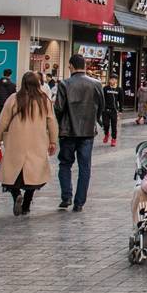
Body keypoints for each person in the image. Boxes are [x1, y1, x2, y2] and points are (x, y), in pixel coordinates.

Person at [0, 72, 58, 216]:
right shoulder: (44, 100)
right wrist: (53, 141)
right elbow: (51, 122)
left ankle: (16, 195)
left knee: (11, 174)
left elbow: (2, 121)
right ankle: (27, 204)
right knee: (33, 176)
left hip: (16, 142)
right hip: (37, 142)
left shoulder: (14, 98)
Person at [54, 54, 105, 212]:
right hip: (88, 132)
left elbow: (58, 108)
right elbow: (101, 106)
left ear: (71, 66)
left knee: (65, 164)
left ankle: (66, 196)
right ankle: (79, 202)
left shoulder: (64, 84)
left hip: (68, 132)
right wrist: (94, 119)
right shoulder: (96, 84)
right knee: (85, 167)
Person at [101, 75, 121, 145]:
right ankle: (106, 134)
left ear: (116, 80)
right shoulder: (105, 88)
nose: (111, 81)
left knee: (114, 126)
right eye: (110, 79)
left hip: (114, 111)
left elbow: (121, 100)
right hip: (105, 110)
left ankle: (114, 139)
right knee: (105, 124)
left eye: (113, 79)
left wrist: (120, 110)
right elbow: (102, 99)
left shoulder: (119, 89)